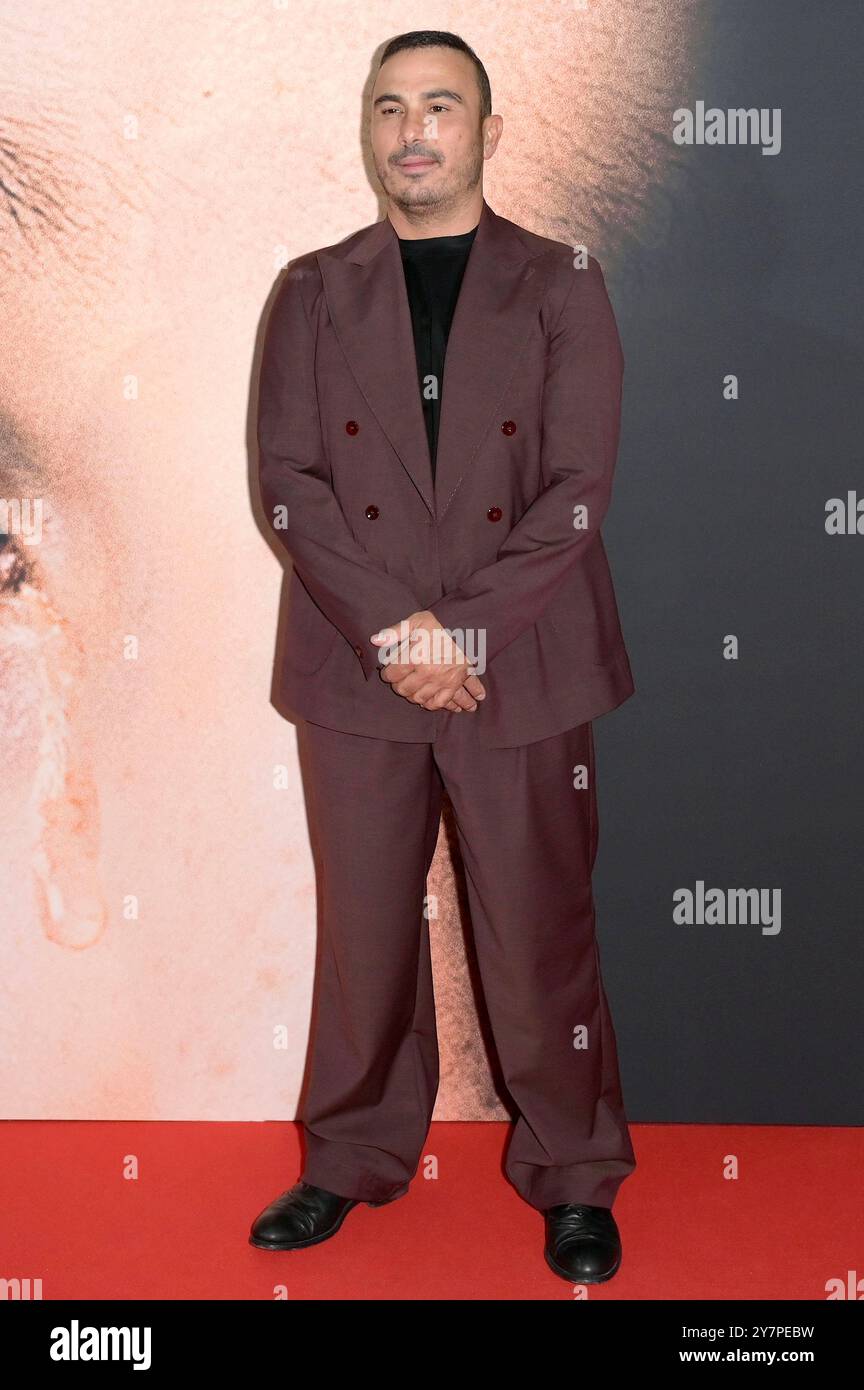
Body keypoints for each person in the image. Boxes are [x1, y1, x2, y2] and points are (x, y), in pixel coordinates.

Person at [249, 29, 637, 1284]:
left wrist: (458, 632)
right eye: (390, 108)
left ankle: (574, 1172)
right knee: (364, 931)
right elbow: (289, 489)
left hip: (518, 661)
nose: (414, 131)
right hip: (356, 665)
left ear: (488, 128)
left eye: (441, 106)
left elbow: (578, 491)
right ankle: (349, 1156)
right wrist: (396, 634)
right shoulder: (309, 289)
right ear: (366, 130)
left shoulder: (564, 279)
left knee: (539, 932)